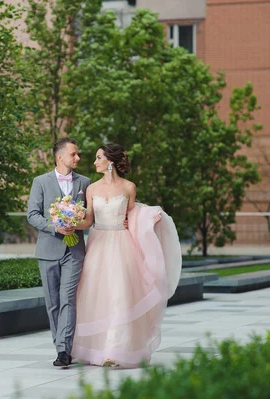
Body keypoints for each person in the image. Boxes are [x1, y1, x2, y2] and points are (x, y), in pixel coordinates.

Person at [71, 143, 182, 368]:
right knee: (96, 296)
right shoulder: (91, 189)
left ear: (110, 162)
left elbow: (133, 219)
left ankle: (115, 350)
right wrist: (70, 222)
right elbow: (88, 220)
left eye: (98, 157)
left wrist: (150, 220)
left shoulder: (129, 187)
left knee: (120, 295)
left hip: (122, 246)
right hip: (98, 245)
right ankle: (98, 349)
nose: (94, 162)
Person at [27, 138, 91, 367]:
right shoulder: (40, 182)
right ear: (60, 157)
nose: (78, 158)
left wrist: (78, 222)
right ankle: (60, 346)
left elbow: (89, 216)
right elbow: (32, 214)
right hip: (48, 249)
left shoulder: (85, 182)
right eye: (74, 154)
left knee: (68, 299)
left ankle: (64, 350)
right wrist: (55, 226)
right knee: (53, 303)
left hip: (74, 251)